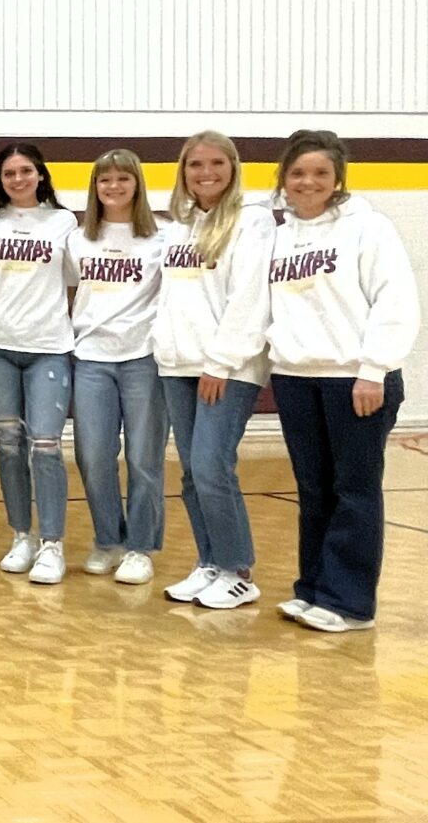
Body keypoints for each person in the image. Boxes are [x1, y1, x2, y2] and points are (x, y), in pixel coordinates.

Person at [266, 130, 418, 632]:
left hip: (354, 379)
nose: (308, 182)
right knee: (314, 489)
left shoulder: (368, 228)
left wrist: (373, 369)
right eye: (297, 173)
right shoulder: (279, 234)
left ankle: (350, 604)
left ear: (337, 179)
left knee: (354, 490)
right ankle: (314, 590)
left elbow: (394, 302)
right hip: (295, 377)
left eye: (320, 173)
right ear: (284, 179)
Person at [153, 131, 274, 608]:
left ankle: (238, 569)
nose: (206, 173)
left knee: (211, 464)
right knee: (190, 471)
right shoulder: (179, 225)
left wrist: (220, 362)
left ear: (233, 167)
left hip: (226, 366)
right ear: (183, 171)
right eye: (195, 165)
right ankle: (210, 562)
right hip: (177, 363)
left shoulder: (253, 221)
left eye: (216, 164)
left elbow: (249, 298)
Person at [0, 142, 76, 584]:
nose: (18, 179)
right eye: (9, 173)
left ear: (40, 175)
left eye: (25, 171)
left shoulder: (63, 221)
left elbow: (73, 277)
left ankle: (53, 543)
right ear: (0, 178)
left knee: (46, 444)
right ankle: (22, 535)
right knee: (9, 443)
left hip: (48, 345)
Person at [65, 150, 168, 586]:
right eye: (104, 180)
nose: (113, 187)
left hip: (143, 357)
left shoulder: (161, 238)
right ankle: (108, 539)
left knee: (144, 458)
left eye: (122, 179)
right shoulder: (78, 238)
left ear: (136, 184)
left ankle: (140, 547)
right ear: (95, 188)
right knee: (93, 455)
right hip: (90, 357)